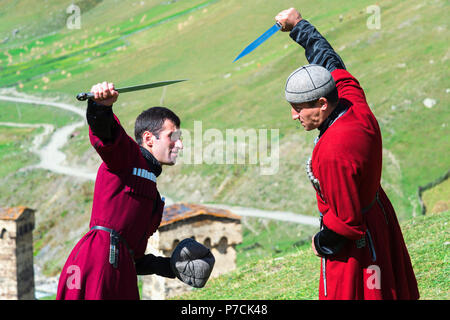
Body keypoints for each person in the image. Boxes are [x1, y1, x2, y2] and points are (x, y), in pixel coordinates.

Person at [276, 8, 419, 299]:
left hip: (359, 245)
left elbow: (346, 222)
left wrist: (321, 242)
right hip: (378, 214)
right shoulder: (351, 100)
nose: (293, 115)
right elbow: (329, 60)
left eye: (299, 107)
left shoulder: (333, 152)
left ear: (322, 102)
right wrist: (298, 26)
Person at [56, 82, 214, 300]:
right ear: (149, 138)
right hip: (98, 265)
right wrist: (100, 107)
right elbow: (106, 136)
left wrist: (170, 267)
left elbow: (134, 257)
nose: (180, 145)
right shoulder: (126, 157)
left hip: (119, 268)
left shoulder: (153, 194)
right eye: (173, 137)